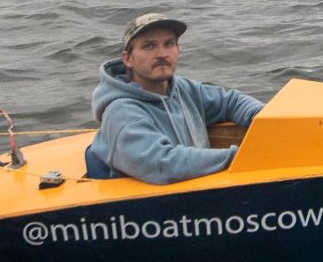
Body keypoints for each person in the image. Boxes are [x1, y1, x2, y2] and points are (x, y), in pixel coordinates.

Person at [84, 14, 266, 184]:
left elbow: (230, 101)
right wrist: (241, 156)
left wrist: (267, 120)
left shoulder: (184, 89)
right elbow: (163, 163)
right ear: (127, 59)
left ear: (178, 50)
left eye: (168, 44)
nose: (162, 54)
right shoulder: (121, 111)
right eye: (149, 46)